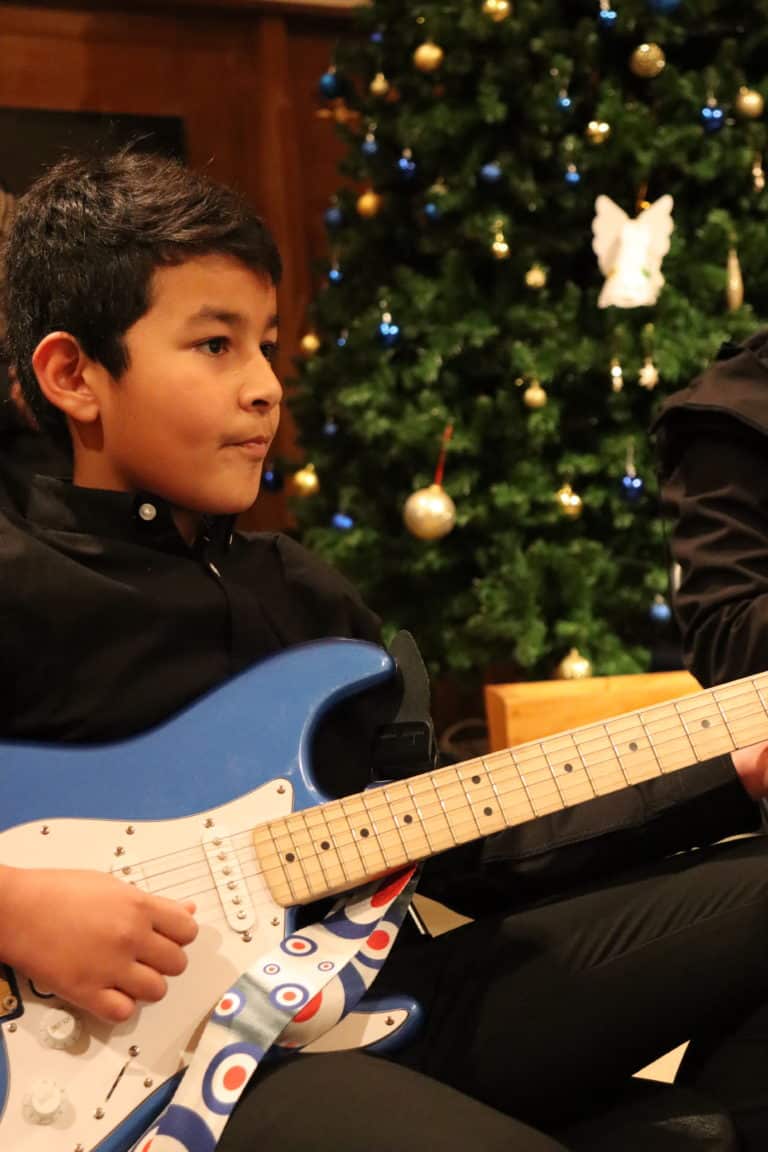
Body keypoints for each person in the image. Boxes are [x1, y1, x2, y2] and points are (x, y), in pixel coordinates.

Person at [3, 152, 768, 1152]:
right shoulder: (17, 576)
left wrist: (732, 768)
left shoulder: (299, 593)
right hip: (192, 1085)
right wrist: (15, 909)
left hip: (384, 1002)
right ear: (73, 375)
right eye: (215, 345)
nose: (265, 388)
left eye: (267, 345)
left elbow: (466, 843)